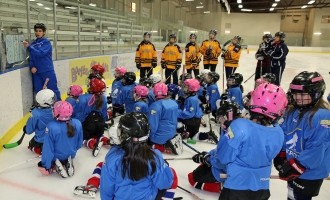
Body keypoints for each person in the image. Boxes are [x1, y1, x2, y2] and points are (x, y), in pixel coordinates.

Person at [217, 83, 288, 200]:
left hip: (236, 187)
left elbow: (224, 157)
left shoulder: (239, 126)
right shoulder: (279, 132)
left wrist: (226, 132)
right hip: (261, 188)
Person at [274, 71, 330, 200]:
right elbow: (284, 132)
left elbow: (317, 148)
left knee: (300, 197)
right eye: (295, 93)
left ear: (316, 93)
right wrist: (281, 155)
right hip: (292, 165)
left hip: (309, 172)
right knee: (291, 195)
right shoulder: (292, 110)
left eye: (303, 94)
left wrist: (296, 165)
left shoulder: (322, 117)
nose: (298, 97)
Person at [99, 112, 178, 200]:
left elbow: (106, 189)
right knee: (171, 173)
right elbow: (165, 183)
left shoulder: (112, 156)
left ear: (125, 135)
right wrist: (164, 167)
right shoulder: (155, 157)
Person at [188, 101, 241, 193]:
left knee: (193, 179)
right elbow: (220, 150)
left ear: (227, 117)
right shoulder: (233, 128)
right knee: (203, 166)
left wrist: (208, 159)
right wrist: (208, 155)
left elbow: (224, 162)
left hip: (230, 173)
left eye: (220, 117)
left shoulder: (230, 134)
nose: (219, 120)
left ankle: (223, 186)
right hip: (236, 170)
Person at [38, 101, 83, 178]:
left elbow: (48, 149)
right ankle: (67, 160)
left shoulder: (51, 126)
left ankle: (56, 163)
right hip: (71, 153)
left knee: (43, 157)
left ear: (57, 113)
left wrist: (45, 165)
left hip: (56, 155)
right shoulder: (78, 123)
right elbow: (79, 143)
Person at [23, 23, 61, 101]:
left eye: (40, 31)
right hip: (37, 72)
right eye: (36, 31)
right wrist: (32, 66)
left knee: (53, 89)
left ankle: (59, 105)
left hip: (47, 70)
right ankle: (40, 106)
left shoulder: (46, 42)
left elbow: (41, 53)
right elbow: (31, 57)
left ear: (44, 32)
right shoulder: (33, 44)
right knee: (38, 90)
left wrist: (29, 47)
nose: (38, 33)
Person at [76, 78, 109, 157]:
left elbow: (79, 116)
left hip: (88, 125)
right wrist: (103, 124)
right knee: (99, 134)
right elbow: (104, 114)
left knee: (82, 139)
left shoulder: (82, 98)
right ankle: (105, 139)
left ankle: (92, 144)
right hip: (100, 124)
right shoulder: (104, 98)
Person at [148, 82, 183, 155]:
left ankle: (160, 146)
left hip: (159, 137)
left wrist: (148, 137)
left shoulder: (155, 106)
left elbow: (152, 126)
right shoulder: (174, 103)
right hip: (172, 133)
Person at [24, 89, 56, 155]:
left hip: (41, 139)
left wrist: (26, 129)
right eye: (52, 98)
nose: (54, 99)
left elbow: (29, 130)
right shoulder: (55, 109)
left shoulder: (36, 113)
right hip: (54, 137)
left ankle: (41, 149)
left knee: (31, 145)